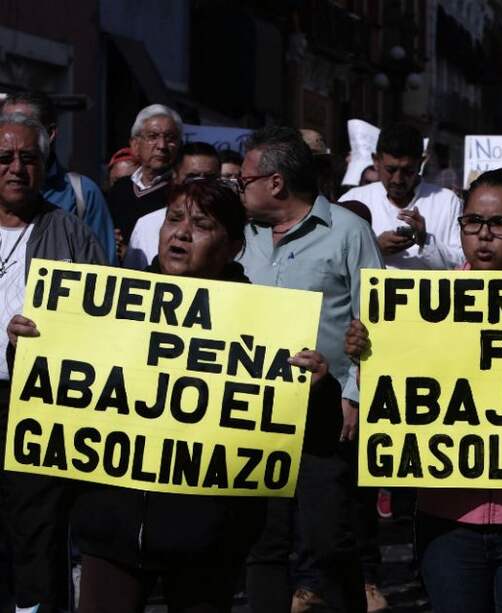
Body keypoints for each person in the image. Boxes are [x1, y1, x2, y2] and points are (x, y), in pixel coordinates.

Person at [7, 178, 336, 612]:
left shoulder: (267, 328)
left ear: (234, 246)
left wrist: (319, 389)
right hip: (113, 530)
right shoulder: (107, 304)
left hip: (210, 541)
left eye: (201, 224)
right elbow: (56, 399)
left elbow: (318, 438)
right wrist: (28, 352)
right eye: (174, 219)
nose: (181, 232)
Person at [346, 169, 502, 613]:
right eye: (472, 222)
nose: (484, 236)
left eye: (501, 224)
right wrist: (366, 356)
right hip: (447, 522)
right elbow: (396, 399)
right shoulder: (419, 303)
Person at [235, 125, 383, 613]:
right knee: (264, 541)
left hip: (324, 413)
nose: (240, 188)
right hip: (251, 412)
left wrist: (354, 395)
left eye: (245, 179)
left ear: (275, 183)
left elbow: (375, 318)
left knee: (327, 538)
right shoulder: (242, 233)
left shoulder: (347, 231)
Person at [0, 112, 107, 612]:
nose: (17, 168)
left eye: (29, 158)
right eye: (5, 157)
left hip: (40, 405)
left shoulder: (71, 233)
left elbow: (105, 325)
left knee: (37, 533)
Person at [1, 91, 117, 263]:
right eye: (6, 122)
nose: (17, 168)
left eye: (25, 123)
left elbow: (101, 278)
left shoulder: (81, 197)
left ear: (50, 135)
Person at [341, 123, 463, 270]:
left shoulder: (447, 202)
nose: (398, 180)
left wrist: (425, 241)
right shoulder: (353, 200)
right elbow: (334, 259)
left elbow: (461, 263)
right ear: (376, 161)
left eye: (407, 171)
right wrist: (374, 249)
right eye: (391, 170)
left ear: (421, 163)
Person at [123, 141, 220, 270]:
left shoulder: (228, 227)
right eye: (192, 177)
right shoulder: (146, 225)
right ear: (175, 176)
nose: (201, 185)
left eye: (209, 178)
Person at [107, 104, 182, 240]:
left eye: (170, 138)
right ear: (135, 145)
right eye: (153, 137)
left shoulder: (181, 192)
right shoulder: (120, 187)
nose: (162, 146)